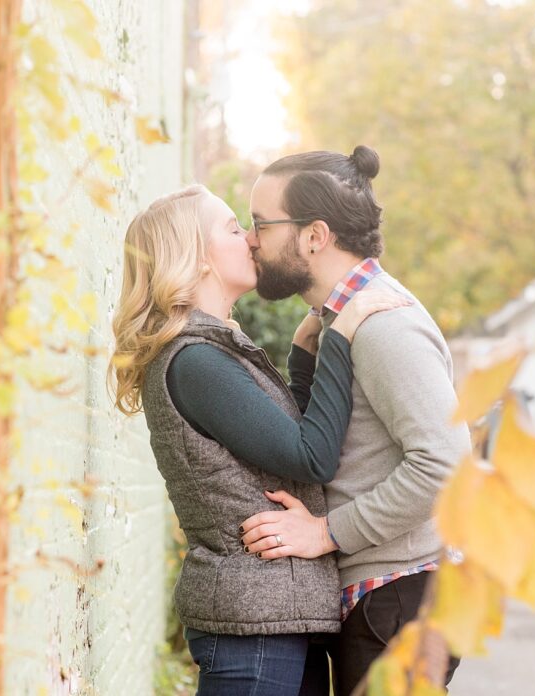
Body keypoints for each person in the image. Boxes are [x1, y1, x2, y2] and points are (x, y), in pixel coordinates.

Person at [108, 184, 409, 696]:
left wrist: (305, 355)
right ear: (197, 257)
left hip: (276, 618)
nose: (251, 239)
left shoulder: (214, 348)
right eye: (233, 228)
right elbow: (309, 456)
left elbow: (282, 441)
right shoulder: (195, 360)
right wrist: (341, 336)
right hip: (252, 627)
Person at [238, 146, 472, 693]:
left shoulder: (384, 324)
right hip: (382, 603)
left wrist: (326, 531)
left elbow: (445, 465)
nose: (251, 240)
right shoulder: (342, 321)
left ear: (314, 236)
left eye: (259, 224)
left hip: (400, 600)